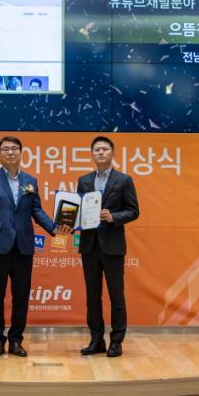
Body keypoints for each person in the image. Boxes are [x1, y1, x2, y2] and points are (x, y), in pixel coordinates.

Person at [0, 136, 71, 358]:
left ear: (21, 152)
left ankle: (16, 340)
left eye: (14, 149)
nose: (10, 152)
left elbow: (36, 210)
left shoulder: (30, 180)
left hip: (23, 246)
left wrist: (54, 228)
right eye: (5, 149)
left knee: (21, 296)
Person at [77, 136, 139, 357]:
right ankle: (96, 340)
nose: (101, 153)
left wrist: (114, 217)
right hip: (89, 245)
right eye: (97, 150)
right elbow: (78, 210)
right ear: (92, 155)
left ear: (113, 154)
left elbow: (133, 211)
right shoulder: (84, 180)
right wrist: (69, 219)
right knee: (92, 297)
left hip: (112, 246)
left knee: (116, 296)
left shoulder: (124, 180)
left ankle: (116, 341)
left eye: (105, 149)